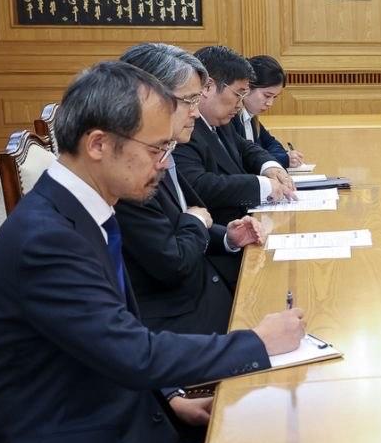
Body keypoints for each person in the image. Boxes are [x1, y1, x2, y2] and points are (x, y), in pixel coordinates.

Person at [0, 61, 306, 443]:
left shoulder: (80, 208)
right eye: (156, 149)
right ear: (99, 144)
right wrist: (257, 342)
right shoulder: (46, 240)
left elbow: (107, 336)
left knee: (272, 432)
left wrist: (171, 400)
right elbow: (132, 350)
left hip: (110, 422)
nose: (166, 164)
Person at [114, 43, 265, 334]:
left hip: (207, 287)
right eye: (189, 101)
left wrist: (228, 237)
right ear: (147, 99)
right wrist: (195, 222)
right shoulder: (129, 172)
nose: (196, 113)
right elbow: (172, 260)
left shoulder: (163, 152)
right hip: (180, 319)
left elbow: (181, 219)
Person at [173, 45, 298, 228]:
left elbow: (246, 147)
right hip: (219, 232)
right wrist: (261, 185)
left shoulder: (221, 122)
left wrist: (269, 167)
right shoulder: (184, 128)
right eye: (238, 94)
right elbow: (198, 185)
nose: (240, 105)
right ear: (208, 87)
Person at [240, 54, 305, 168]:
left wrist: (284, 157)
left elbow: (272, 144)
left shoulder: (252, 119)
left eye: (274, 97)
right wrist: (283, 159)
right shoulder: (230, 119)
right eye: (267, 95)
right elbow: (245, 159)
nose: (270, 103)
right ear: (247, 87)